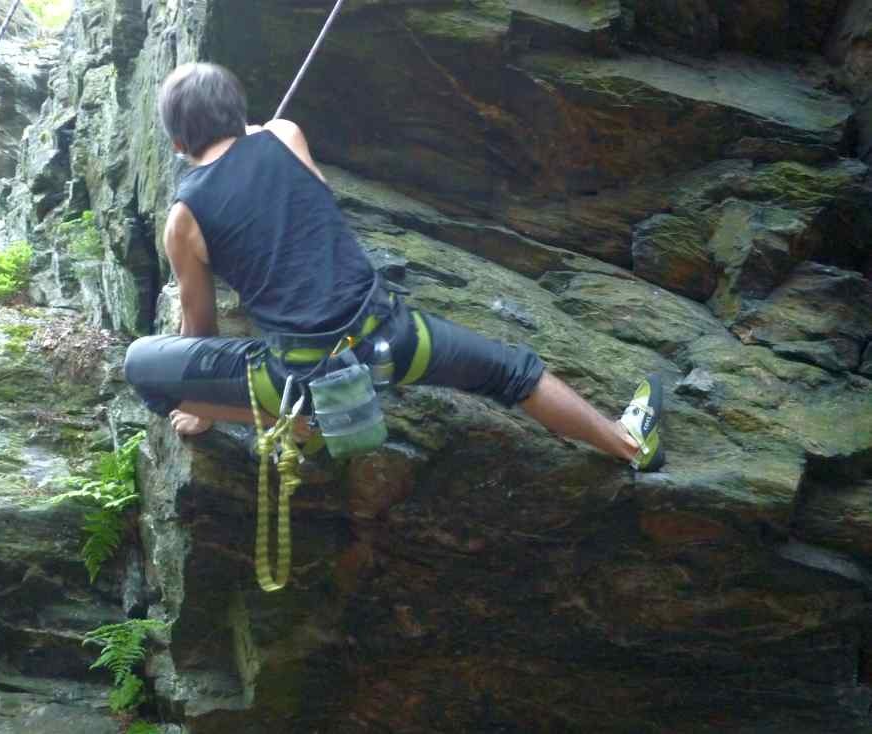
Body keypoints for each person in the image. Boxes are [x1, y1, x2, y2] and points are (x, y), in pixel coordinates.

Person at [124, 62, 665, 472]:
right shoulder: (284, 136)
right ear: (238, 113)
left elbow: (200, 333)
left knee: (142, 367)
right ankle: (628, 444)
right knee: (511, 371)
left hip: (298, 377)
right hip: (392, 337)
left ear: (176, 143)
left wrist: (205, 408)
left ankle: (298, 420)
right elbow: (315, 192)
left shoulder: (184, 219)